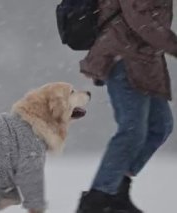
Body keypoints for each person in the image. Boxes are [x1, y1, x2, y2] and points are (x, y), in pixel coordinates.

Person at [76, 0, 176, 213]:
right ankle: (97, 200)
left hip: (146, 60)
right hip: (123, 57)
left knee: (160, 126)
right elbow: (141, 20)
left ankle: (116, 190)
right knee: (132, 129)